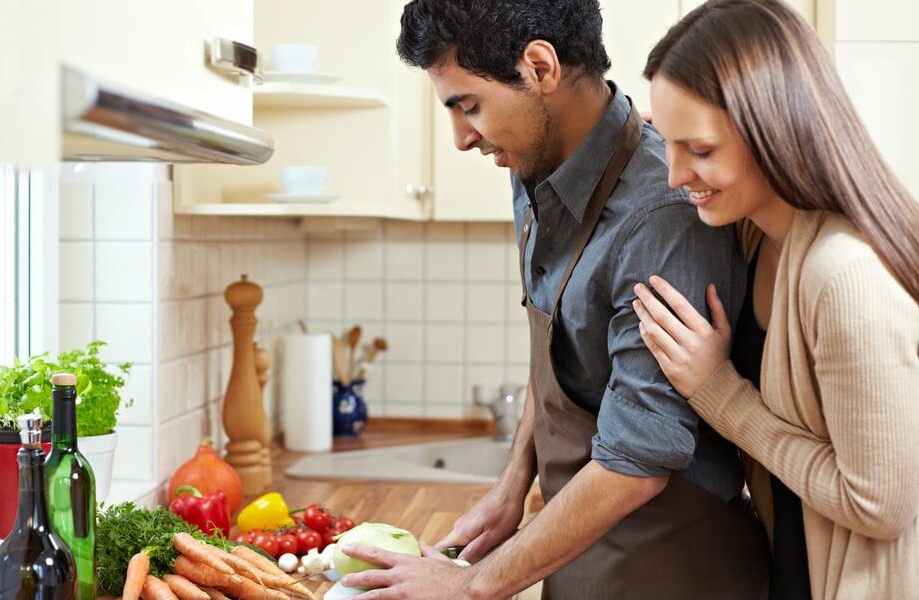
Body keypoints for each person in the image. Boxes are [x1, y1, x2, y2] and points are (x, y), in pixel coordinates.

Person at [338, 1, 769, 598]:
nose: (462, 138)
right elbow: (561, 355)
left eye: (469, 105)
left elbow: (638, 461)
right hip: (582, 560)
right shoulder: (533, 174)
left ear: (540, 68)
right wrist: (514, 480)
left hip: (671, 573)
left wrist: (469, 587)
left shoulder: (660, 216)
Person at [632, 1, 919, 598]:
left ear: (775, 128)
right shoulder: (755, 235)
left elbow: (879, 506)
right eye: (668, 143)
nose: (675, 176)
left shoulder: (845, 277)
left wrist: (720, 395)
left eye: (702, 151)